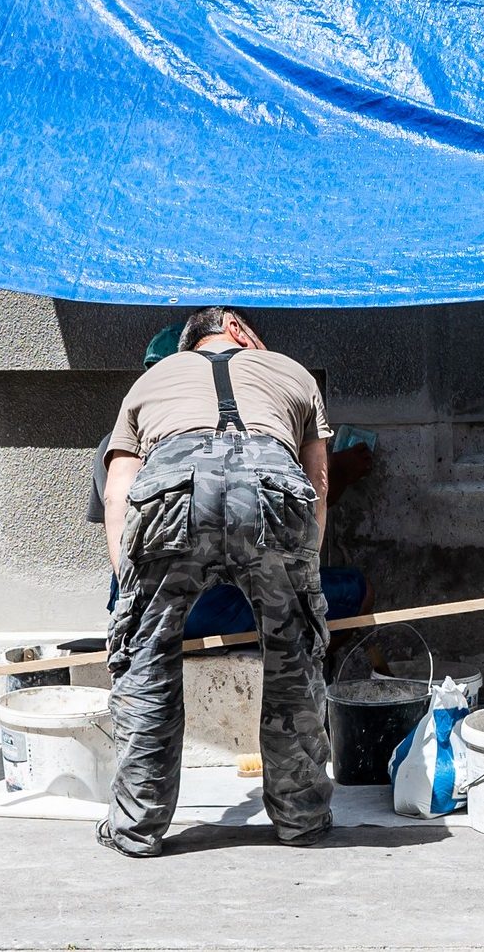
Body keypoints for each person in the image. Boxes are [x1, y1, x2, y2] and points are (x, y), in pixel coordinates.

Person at [98, 306, 336, 856]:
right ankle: (301, 821)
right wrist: (303, 576)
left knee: (148, 663)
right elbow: (318, 483)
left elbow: (118, 492)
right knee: (293, 662)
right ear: (233, 326)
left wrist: (133, 594)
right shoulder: (291, 371)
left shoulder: (151, 380)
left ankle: (136, 828)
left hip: (171, 493)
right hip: (273, 489)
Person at [87, 325, 372, 636]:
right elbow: (298, 508)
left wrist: (133, 606)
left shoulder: (115, 445)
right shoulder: (227, 437)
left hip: (143, 607)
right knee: (357, 590)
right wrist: (338, 470)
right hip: (201, 611)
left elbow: (119, 519)